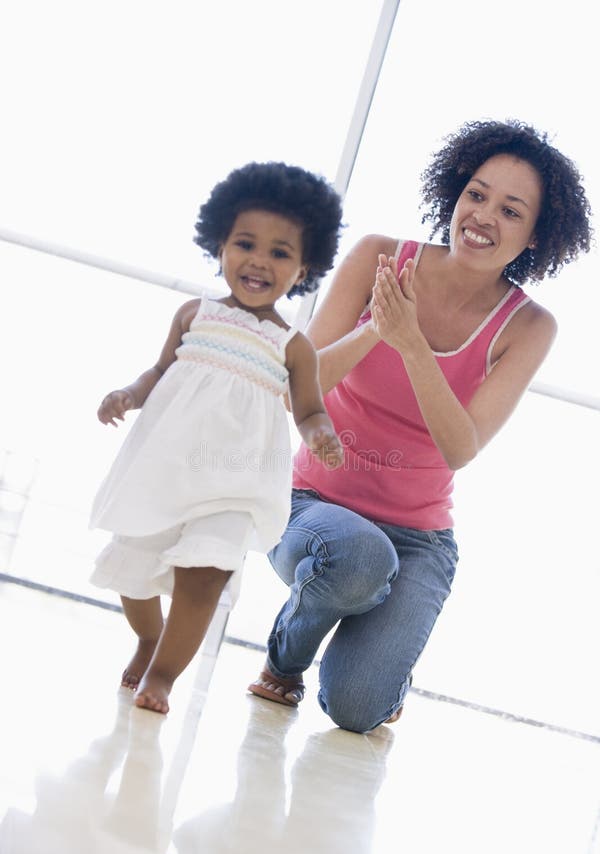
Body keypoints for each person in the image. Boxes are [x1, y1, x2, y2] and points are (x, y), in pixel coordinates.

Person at [248, 119, 593, 733]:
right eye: (477, 194)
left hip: (418, 542)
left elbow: (460, 447)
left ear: (538, 234)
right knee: (356, 558)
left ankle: (382, 649)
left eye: (511, 211)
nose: (483, 216)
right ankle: (285, 659)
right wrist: (378, 328)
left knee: (359, 711)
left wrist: (412, 346)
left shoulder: (530, 326)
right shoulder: (380, 256)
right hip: (308, 504)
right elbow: (299, 393)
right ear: (456, 191)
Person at [89, 161, 345, 714]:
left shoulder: (293, 345)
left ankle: (162, 675)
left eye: (280, 252)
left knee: (204, 577)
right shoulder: (193, 314)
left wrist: (321, 434)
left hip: (236, 478)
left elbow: (307, 409)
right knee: (133, 571)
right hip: (165, 468)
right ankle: (147, 637)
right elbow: (157, 374)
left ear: (304, 269)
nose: (259, 260)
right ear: (220, 246)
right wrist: (128, 395)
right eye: (245, 243)